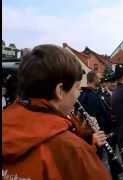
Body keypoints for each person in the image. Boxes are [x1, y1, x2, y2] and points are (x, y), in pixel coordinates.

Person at [3, 44, 111, 180]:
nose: (78, 95)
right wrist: (88, 149)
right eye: (77, 88)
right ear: (60, 91)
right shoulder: (73, 150)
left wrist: (85, 136)